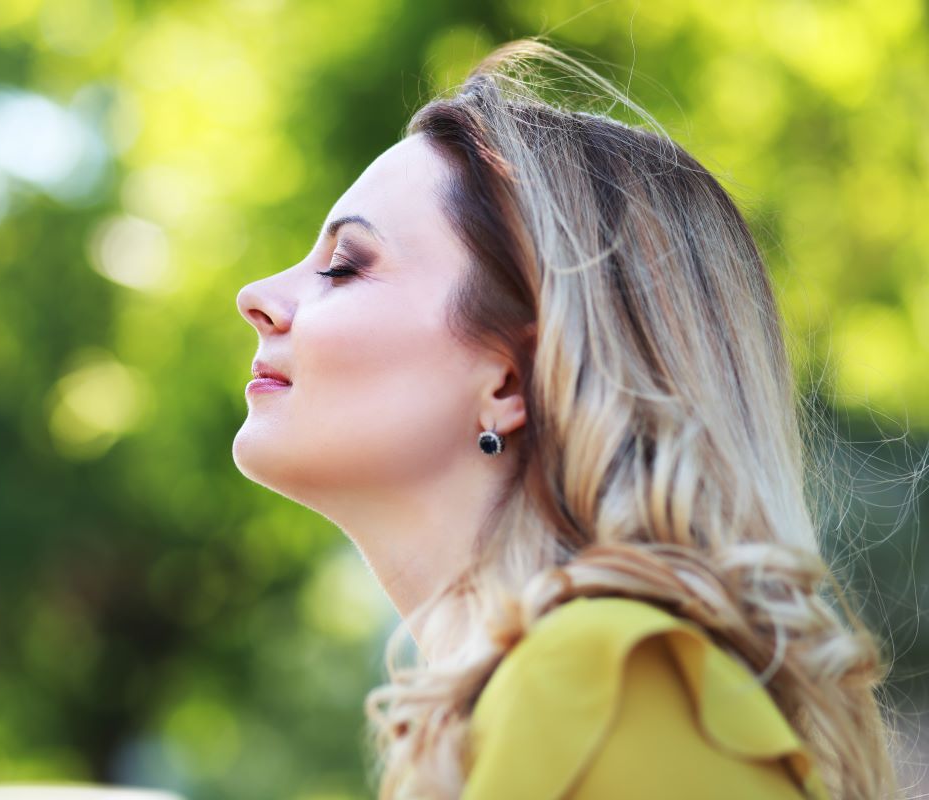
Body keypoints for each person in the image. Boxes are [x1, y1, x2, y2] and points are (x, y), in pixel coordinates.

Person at [232, 37, 901, 799]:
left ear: (512, 380)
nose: (256, 295)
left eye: (345, 265)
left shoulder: (607, 685)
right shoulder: (553, 702)